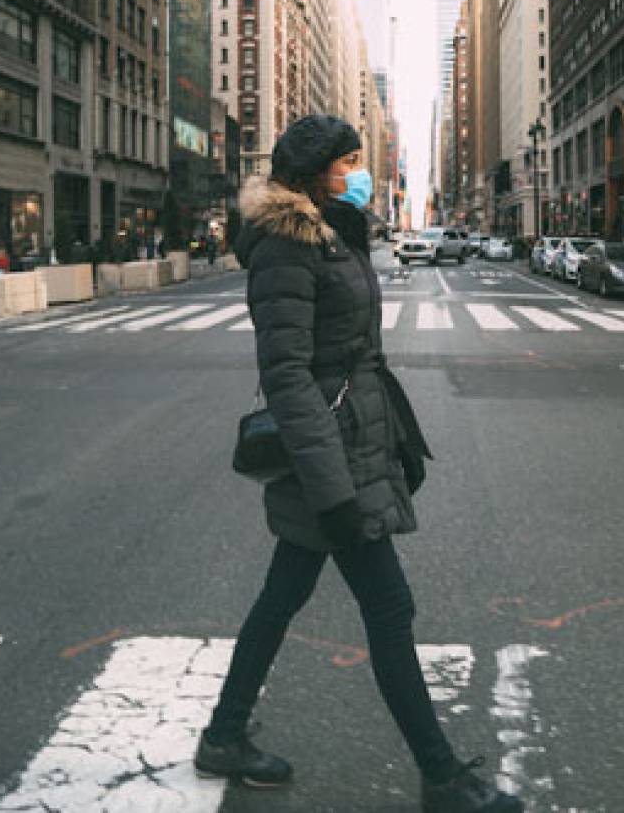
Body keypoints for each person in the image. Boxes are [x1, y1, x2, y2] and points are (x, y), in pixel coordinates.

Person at [195, 115, 522, 812]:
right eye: (348, 161)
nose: (357, 172)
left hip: (352, 442)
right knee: (389, 606)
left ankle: (223, 735)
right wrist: (334, 491)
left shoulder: (328, 231)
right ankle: (440, 778)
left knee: (282, 595)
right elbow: (287, 376)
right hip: (331, 459)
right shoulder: (288, 244)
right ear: (315, 171)